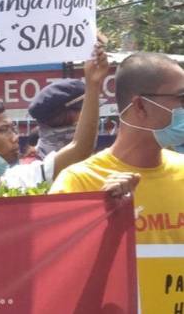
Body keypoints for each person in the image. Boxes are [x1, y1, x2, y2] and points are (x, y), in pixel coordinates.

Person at [50, 51, 184, 245]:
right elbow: (58, 257)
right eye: (182, 99)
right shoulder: (79, 183)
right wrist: (101, 214)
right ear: (140, 106)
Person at [0, 43, 111, 189]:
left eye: (13, 129)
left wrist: (93, 84)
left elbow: (80, 149)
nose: (15, 137)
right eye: (3, 130)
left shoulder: (23, 180)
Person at [29, 78, 86, 160]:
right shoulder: (36, 166)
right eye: (85, 112)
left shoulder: (90, 161)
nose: (93, 117)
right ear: (64, 118)